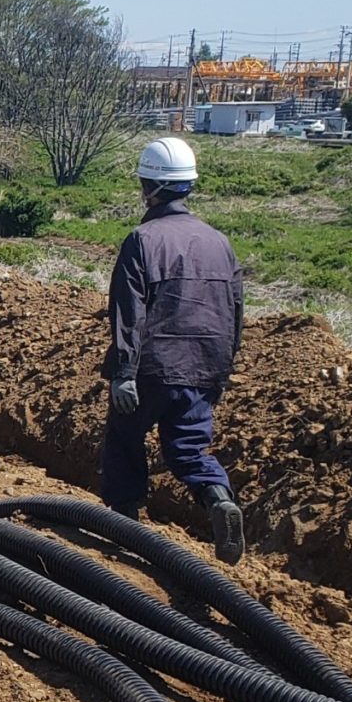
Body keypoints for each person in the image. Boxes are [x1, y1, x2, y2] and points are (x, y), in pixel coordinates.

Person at [102, 135, 247, 562]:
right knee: (187, 448)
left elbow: (128, 312)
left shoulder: (143, 240)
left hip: (153, 366)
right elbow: (233, 313)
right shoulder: (220, 243)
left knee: (125, 443)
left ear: (150, 187)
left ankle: (124, 529)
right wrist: (221, 372)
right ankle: (219, 499)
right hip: (205, 365)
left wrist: (124, 373)